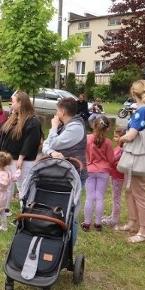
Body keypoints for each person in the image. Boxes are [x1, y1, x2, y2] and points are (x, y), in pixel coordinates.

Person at [42, 96, 88, 243]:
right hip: (62, 172)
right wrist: (51, 152)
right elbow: (46, 145)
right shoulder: (66, 126)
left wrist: (53, 127)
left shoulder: (75, 127)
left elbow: (53, 142)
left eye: (57, 110)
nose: (56, 114)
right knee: (58, 208)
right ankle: (55, 240)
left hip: (74, 172)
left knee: (71, 212)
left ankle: (68, 248)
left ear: (62, 111)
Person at [116, 79, 145, 244]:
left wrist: (121, 138)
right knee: (129, 190)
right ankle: (133, 223)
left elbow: (131, 136)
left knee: (140, 194)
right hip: (137, 155)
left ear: (133, 93)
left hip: (137, 157)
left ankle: (143, 230)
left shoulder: (141, 111)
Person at [0, 91, 43, 215]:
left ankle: (25, 214)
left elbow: (31, 141)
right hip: (9, 157)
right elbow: (3, 132)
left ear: (20, 103)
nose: (11, 103)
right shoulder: (14, 117)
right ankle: (5, 210)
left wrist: (22, 157)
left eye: (14, 101)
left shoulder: (32, 121)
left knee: (23, 187)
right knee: (7, 184)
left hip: (22, 160)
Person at [82, 116, 114, 231]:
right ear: (107, 129)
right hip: (103, 172)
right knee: (100, 197)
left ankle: (86, 223)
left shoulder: (87, 139)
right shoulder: (108, 143)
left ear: (93, 125)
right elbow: (111, 159)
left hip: (90, 170)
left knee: (89, 197)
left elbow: (83, 153)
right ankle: (98, 223)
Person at [102, 127, 126, 227]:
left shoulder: (122, 150)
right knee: (114, 197)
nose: (114, 138)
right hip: (114, 175)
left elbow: (114, 160)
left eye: (116, 137)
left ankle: (114, 220)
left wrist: (110, 160)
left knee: (116, 198)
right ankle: (112, 216)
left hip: (118, 176)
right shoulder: (119, 148)